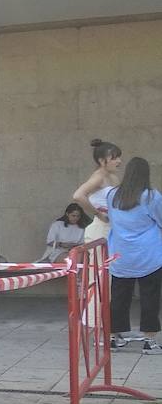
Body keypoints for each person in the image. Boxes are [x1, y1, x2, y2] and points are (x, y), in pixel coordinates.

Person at [101, 158, 162, 354]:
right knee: (149, 297)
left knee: (119, 297)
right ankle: (150, 341)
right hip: (149, 255)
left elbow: (111, 218)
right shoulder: (152, 196)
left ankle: (112, 338)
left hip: (120, 254)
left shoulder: (112, 195)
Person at [73, 138, 124, 243]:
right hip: (101, 229)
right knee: (100, 259)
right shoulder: (98, 177)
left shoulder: (114, 177)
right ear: (101, 160)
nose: (119, 161)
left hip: (115, 228)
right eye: (114, 158)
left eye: (119, 157)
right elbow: (78, 195)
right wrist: (98, 214)